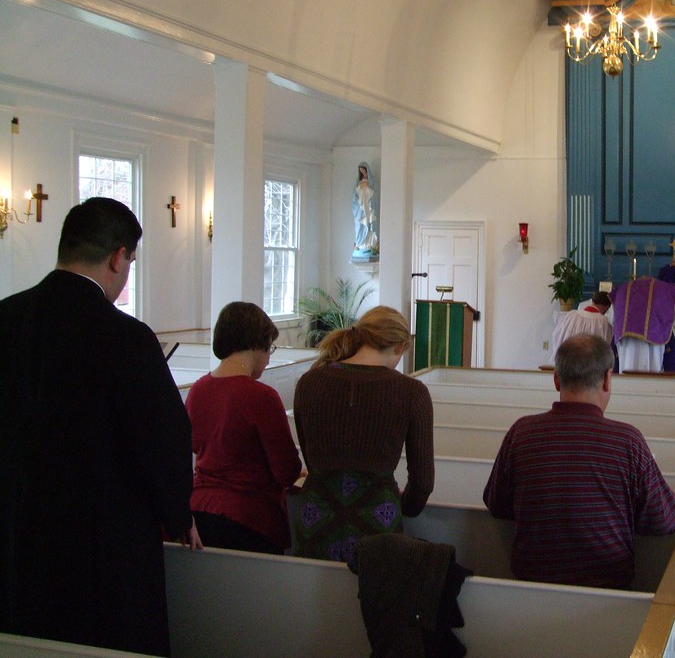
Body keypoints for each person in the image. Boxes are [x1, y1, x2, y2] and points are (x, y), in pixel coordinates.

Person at [0, 197, 199, 657]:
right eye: (130, 260)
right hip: (102, 544)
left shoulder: (6, 320)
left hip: (16, 531)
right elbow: (164, 437)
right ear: (118, 257)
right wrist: (177, 513)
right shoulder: (126, 338)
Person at [483, 334, 675, 589]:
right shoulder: (627, 441)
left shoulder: (521, 433)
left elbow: (497, 504)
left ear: (556, 379)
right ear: (608, 379)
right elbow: (662, 519)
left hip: (531, 587)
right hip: (607, 590)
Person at [290, 305, 433, 565]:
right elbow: (423, 482)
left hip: (316, 519)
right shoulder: (412, 392)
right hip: (379, 521)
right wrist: (404, 508)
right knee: (371, 602)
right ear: (400, 346)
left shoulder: (309, 383)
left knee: (313, 602)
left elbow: (311, 460)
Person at [186, 302, 302, 555]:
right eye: (269, 348)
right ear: (256, 344)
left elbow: (196, 446)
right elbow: (286, 471)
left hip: (199, 510)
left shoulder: (198, 390)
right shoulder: (261, 396)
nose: (269, 357)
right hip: (249, 517)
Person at [608, 275, 675, 372]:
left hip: (627, 344)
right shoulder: (664, 291)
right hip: (656, 340)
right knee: (654, 373)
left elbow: (612, 319)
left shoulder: (622, 291)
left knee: (626, 368)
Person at [549, 290, 613, 361]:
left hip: (568, 360)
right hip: (589, 364)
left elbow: (556, 335)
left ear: (593, 301)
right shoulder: (603, 321)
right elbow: (605, 346)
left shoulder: (571, 315)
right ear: (606, 306)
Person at [352, 162, 378, 257]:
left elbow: (374, 194)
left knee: (368, 223)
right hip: (360, 207)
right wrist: (361, 188)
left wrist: (366, 188)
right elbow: (355, 195)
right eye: (360, 170)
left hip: (368, 206)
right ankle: (360, 244)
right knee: (359, 225)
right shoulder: (358, 181)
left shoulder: (372, 181)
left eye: (363, 169)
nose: (362, 171)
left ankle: (369, 244)